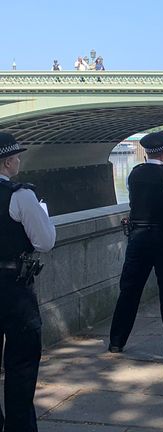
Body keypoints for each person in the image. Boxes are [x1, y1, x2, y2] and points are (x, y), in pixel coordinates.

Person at [109, 131, 163, 357]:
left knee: (129, 291)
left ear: (146, 152)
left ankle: (116, 341)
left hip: (138, 238)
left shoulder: (134, 175)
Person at [0, 132, 56, 432]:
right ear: (8, 162)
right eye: (16, 156)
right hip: (12, 287)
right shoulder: (20, 195)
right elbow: (44, 241)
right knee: (21, 365)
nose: (19, 160)